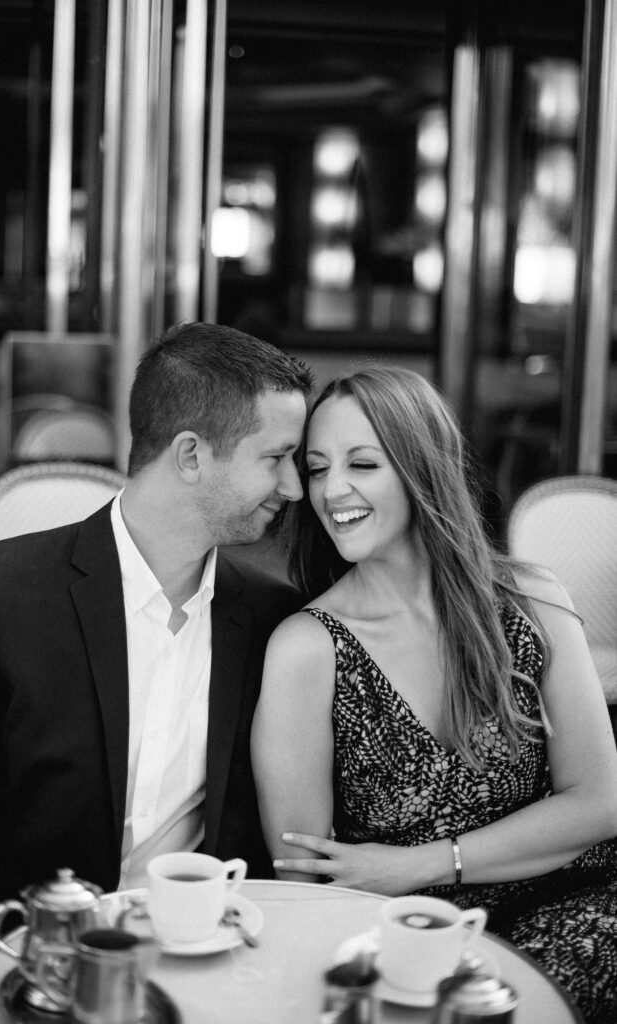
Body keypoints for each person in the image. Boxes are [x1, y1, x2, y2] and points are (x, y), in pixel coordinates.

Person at [0, 322, 313, 1003]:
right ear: (191, 455)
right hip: (39, 969)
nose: (293, 486)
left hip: (209, 972)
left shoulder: (272, 617)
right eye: (276, 457)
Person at [252, 366, 617, 1024]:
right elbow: (303, 878)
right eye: (317, 468)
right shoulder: (307, 649)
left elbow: (600, 802)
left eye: (363, 464)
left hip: (583, 902)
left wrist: (421, 864)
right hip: (411, 946)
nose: (331, 490)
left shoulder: (530, 601)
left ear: (422, 468)